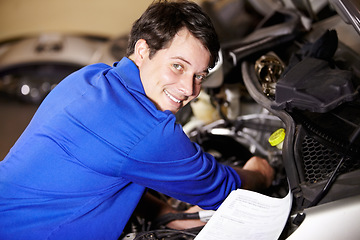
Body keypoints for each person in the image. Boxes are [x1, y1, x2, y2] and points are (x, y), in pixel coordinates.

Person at [0, 0, 274, 239]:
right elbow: (221, 188)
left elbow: (105, 170)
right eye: (177, 66)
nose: (190, 89)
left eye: (199, 76)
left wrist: (165, 212)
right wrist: (260, 172)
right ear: (143, 51)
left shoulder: (92, 76)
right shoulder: (148, 130)